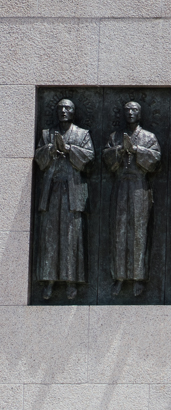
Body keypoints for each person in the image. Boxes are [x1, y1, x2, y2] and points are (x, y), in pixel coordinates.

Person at [33, 98, 92, 300]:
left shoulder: (82, 134)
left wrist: (68, 150)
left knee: (71, 237)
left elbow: (89, 159)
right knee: (50, 237)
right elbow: (39, 159)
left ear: (73, 112)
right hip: (52, 191)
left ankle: (71, 282)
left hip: (73, 192)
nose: (64, 111)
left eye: (68, 108)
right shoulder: (46, 134)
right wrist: (50, 149)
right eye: (61, 108)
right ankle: (48, 282)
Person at [102, 101, 159, 297]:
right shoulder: (114, 136)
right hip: (120, 185)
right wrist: (119, 151)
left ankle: (137, 278)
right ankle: (119, 277)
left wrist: (137, 151)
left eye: (134, 110)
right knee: (119, 230)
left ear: (140, 113)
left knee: (138, 232)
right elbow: (106, 157)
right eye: (127, 110)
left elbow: (155, 160)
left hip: (138, 186)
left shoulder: (148, 137)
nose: (130, 113)